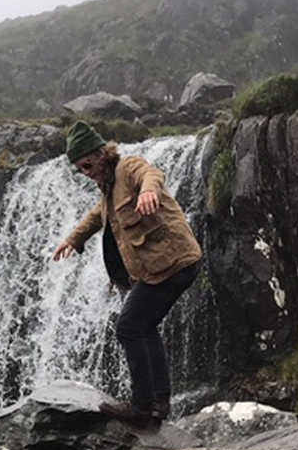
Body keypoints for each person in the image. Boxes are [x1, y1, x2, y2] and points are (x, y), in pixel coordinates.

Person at [52, 121, 202, 424]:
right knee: (145, 328)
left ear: (101, 154)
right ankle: (159, 403)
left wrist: (148, 192)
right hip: (164, 268)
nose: (86, 172)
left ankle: (141, 407)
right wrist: (73, 238)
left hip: (171, 265)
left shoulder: (128, 167)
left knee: (128, 327)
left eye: (88, 164)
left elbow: (152, 174)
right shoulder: (108, 186)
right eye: (80, 169)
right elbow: (98, 215)